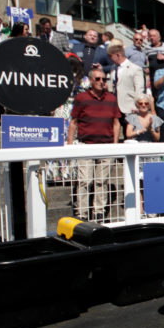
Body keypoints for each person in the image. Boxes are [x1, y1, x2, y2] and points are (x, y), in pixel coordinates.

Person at [67, 68, 120, 222]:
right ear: (90, 80)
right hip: (86, 145)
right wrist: (69, 145)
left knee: (101, 181)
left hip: (107, 145)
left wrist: (115, 145)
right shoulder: (81, 98)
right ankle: (82, 213)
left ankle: (99, 212)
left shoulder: (111, 98)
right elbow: (73, 122)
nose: (101, 82)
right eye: (97, 79)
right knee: (84, 181)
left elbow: (116, 123)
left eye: (103, 79)